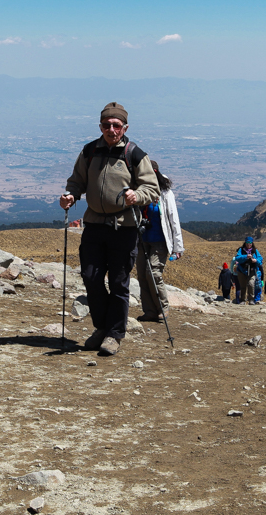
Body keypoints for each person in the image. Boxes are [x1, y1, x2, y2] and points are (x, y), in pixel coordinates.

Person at [60, 102, 160, 356]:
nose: (111, 129)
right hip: (93, 225)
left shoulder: (134, 154)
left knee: (118, 282)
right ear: (100, 126)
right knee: (91, 277)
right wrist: (71, 196)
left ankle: (114, 334)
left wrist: (136, 196)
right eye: (107, 125)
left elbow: (152, 188)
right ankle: (102, 328)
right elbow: (77, 181)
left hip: (123, 228)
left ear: (125, 127)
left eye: (116, 125)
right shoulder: (89, 151)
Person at [135, 160, 184, 323]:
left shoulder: (165, 192)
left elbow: (173, 219)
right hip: (142, 241)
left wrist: (178, 247)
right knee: (142, 275)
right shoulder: (140, 189)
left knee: (153, 274)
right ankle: (149, 311)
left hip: (160, 241)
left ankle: (163, 308)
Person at [232, 237, 263, 305]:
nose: (249, 244)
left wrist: (256, 261)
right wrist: (245, 257)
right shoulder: (241, 250)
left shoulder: (255, 251)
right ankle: (243, 299)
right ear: (245, 243)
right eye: (247, 243)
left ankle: (251, 299)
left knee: (251, 284)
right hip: (242, 271)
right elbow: (237, 258)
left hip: (252, 271)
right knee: (243, 286)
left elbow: (260, 259)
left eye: (250, 243)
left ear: (252, 243)